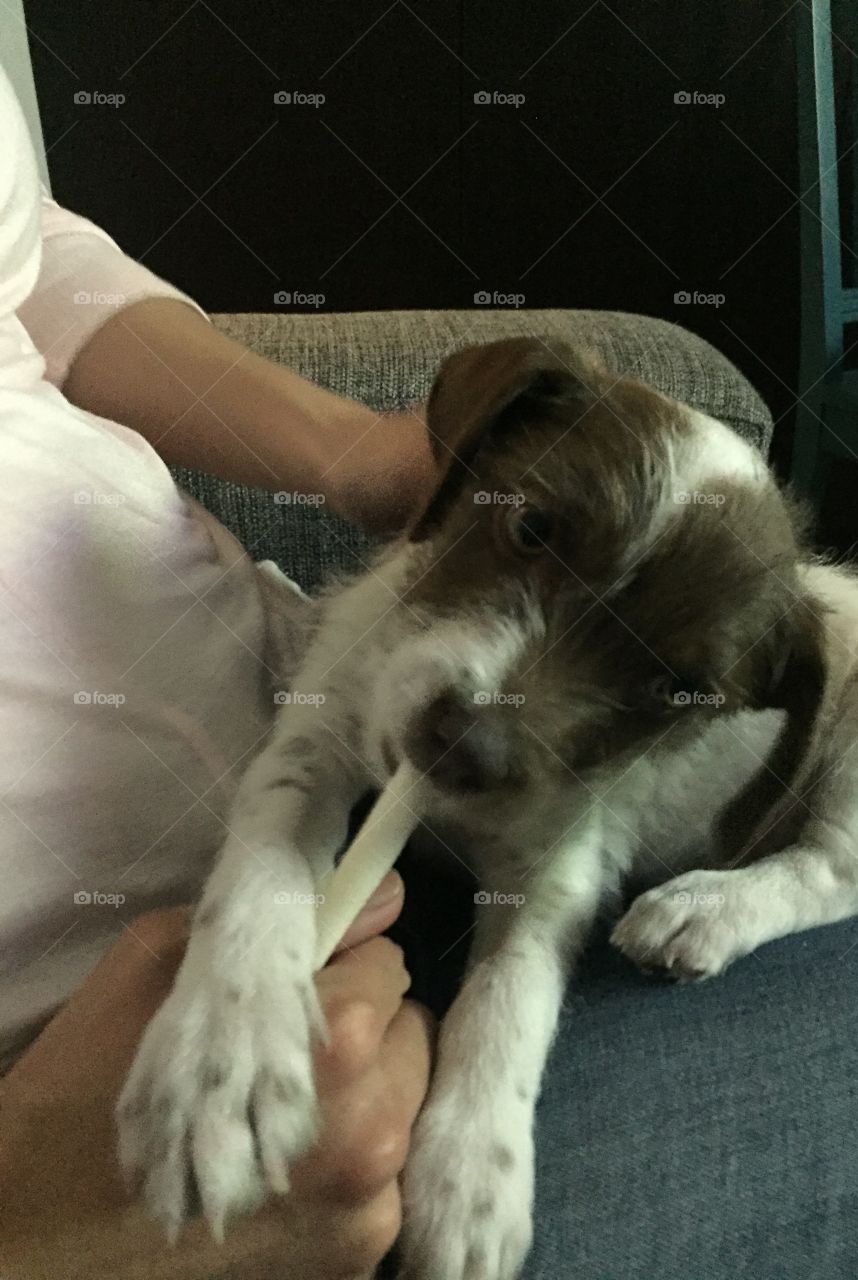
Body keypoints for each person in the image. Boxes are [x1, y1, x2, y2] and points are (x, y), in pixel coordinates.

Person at [0, 63, 435, 1279]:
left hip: (358, 779)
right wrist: (28, 1227)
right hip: (107, 1126)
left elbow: (23, 251)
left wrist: (348, 449)